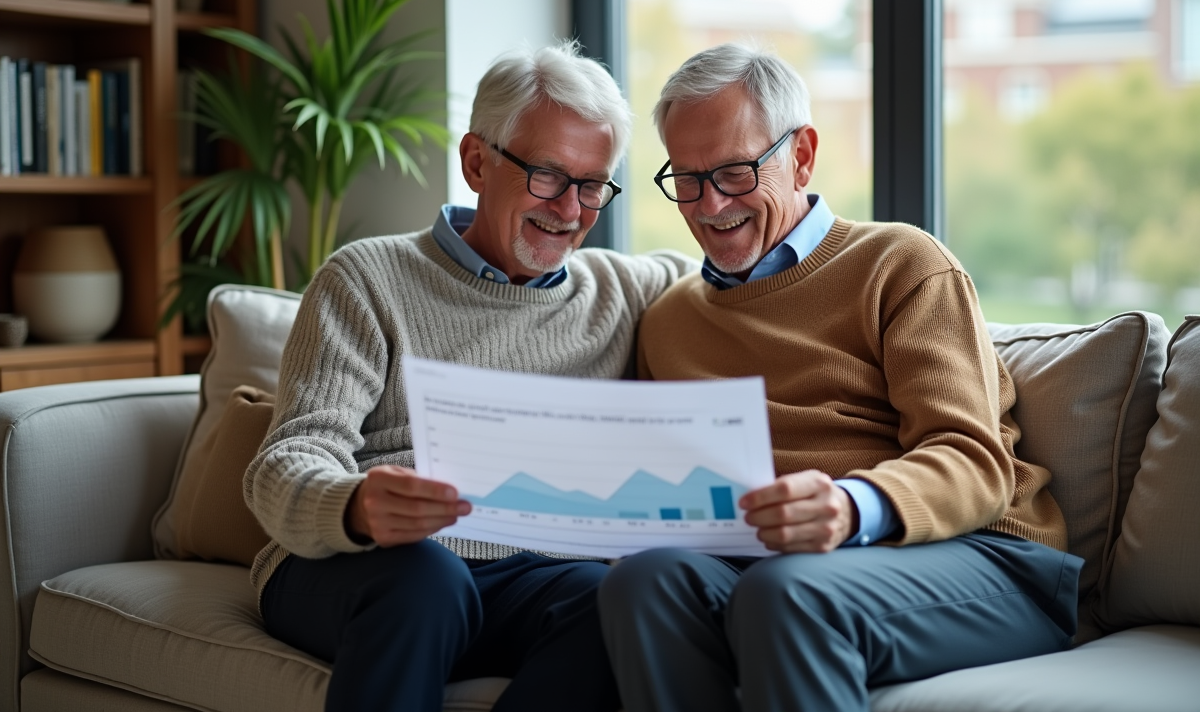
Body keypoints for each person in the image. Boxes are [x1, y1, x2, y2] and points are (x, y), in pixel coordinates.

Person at [597, 43, 1082, 712]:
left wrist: (853, 505)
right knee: (641, 584)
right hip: (781, 564)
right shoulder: (670, 319)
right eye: (686, 178)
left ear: (800, 156)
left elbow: (975, 462)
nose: (709, 205)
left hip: (984, 555)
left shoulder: (900, 264)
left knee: (786, 593)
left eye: (735, 172)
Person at [243, 41, 694, 712]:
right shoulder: (366, 278)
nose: (570, 210)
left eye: (592, 184)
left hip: (532, 578)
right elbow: (283, 462)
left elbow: (750, 280)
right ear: (476, 162)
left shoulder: (624, 290)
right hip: (369, 564)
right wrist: (356, 505)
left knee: (615, 600)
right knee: (428, 578)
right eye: (547, 175)